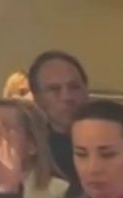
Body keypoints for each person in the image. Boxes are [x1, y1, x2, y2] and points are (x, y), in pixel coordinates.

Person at [27, 50, 89, 187]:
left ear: (86, 90)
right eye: (54, 89)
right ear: (37, 98)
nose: (67, 97)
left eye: (74, 87)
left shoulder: (113, 136)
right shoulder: (31, 150)